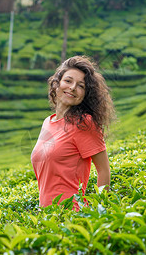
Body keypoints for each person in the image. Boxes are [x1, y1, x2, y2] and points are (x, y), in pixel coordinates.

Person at [31, 56, 115, 210]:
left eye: (81, 86)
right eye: (68, 81)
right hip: (48, 216)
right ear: (57, 83)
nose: (72, 87)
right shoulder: (47, 123)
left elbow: (104, 170)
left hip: (72, 215)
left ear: (85, 95)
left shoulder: (84, 123)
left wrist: (101, 209)